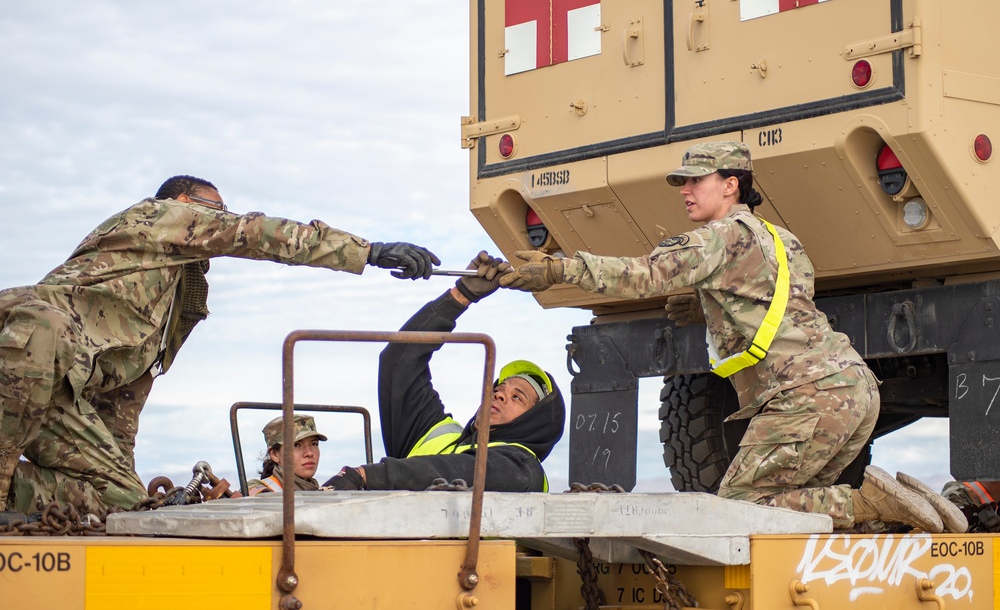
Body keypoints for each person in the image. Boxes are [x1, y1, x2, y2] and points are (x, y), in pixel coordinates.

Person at [499, 141, 967, 533]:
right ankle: (906, 504)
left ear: (730, 185)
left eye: (696, 181)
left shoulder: (717, 236)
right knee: (795, 512)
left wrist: (558, 269)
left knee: (742, 508)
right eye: (682, 182)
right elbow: (776, 306)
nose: (685, 191)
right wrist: (707, 304)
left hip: (803, 396)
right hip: (853, 389)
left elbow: (642, 276)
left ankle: (871, 505)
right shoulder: (781, 239)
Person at [0, 174, 439, 517]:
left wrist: (125, 476)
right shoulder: (157, 216)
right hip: (21, 347)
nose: (222, 219)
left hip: (59, 392)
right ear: (185, 205)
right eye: (216, 210)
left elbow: (123, 404)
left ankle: (18, 493)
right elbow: (250, 232)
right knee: (43, 325)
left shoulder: (171, 302)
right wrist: (368, 251)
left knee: (124, 500)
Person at [323, 251, 565, 492]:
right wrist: (461, 296)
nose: (499, 395)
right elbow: (399, 362)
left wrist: (365, 475)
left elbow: (461, 470)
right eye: (499, 389)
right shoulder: (439, 437)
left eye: (517, 397)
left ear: (534, 423)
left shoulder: (522, 468)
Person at [247, 414, 327, 495]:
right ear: (275, 455)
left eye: (314, 444)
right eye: (296, 445)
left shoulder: (318, 491)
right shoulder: (258, 491)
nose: (309, 453)